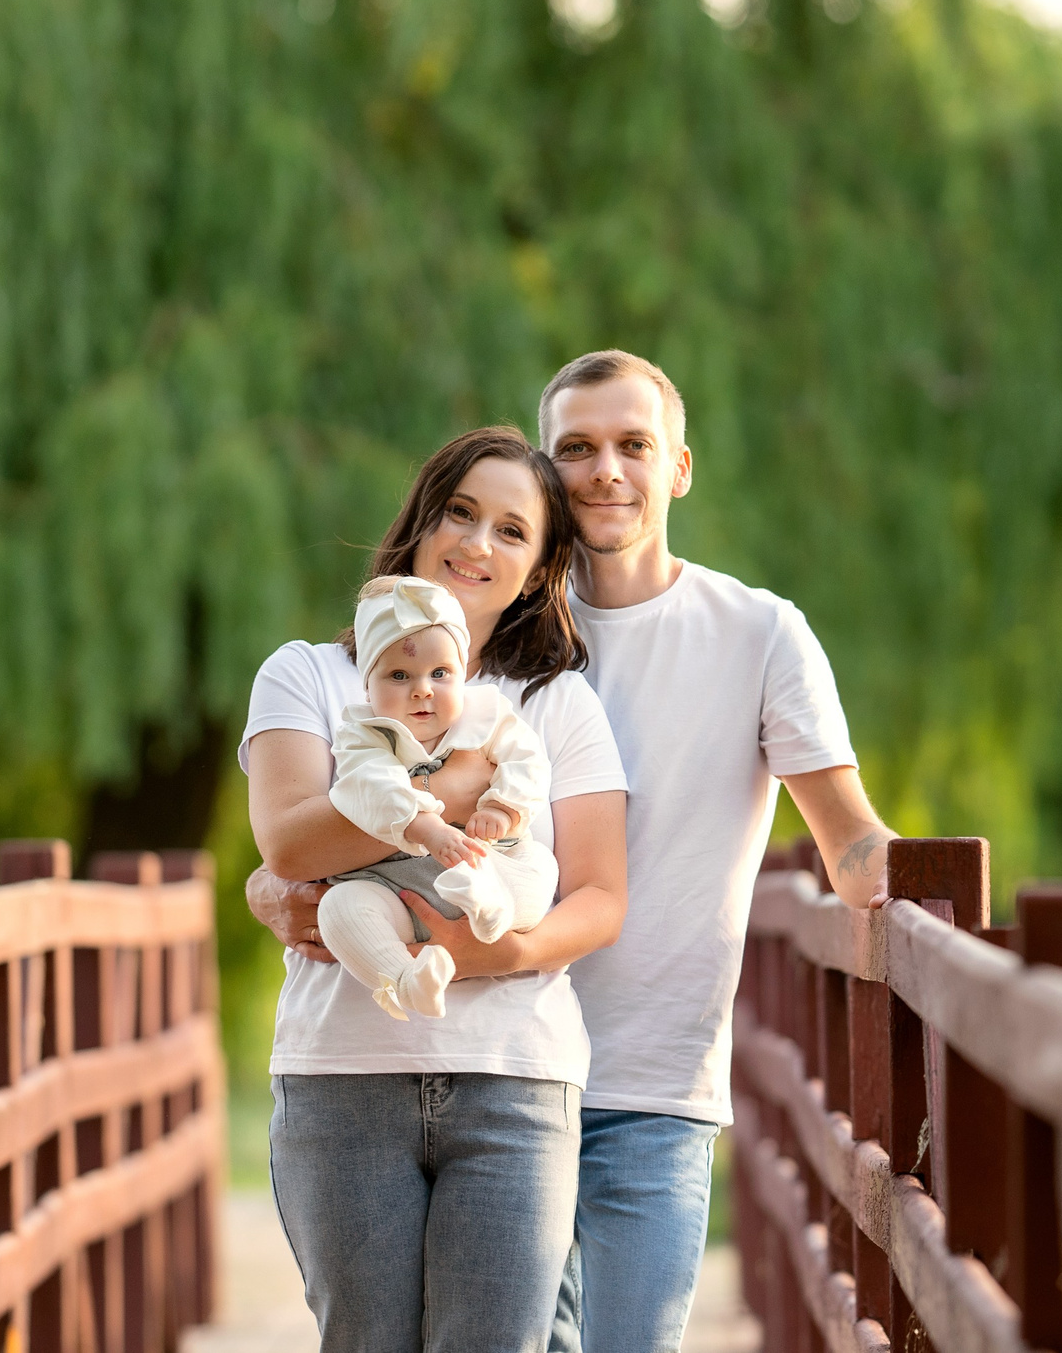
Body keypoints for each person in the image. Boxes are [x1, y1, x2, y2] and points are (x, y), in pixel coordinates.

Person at [248, 351, 898, 1353]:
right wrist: (278, 879)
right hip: (463, 1062)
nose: (605, 471)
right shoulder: (451, 654)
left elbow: (846, 841)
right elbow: (299, 829)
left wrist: (928, 918)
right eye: (578, 450)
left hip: (633, 1079)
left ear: (678, 465)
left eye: (632, 445)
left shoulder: (734, 639)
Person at [244, 426, 631, 1353]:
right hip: (342, 1075)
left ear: (540, 569)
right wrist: (450, 789)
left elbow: (600, 896)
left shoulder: (555, 703)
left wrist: (481, 954)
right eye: (460, 513)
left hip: (516, 1080)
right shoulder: (307, 674)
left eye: (511, 530)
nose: (475, 544)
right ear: (420, 523)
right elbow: (291, 842)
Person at [318, 573, 560, 1018]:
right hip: (393, 881)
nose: (422, 689)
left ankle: (493, 905)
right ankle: (406, 979)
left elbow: (527, 760)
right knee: (339, 908)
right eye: (398, 675)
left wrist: (502, 808)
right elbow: (372, 786)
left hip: (483, 861)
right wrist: (426, 827)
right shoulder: (363, 736)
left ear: (463, 673)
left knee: (542, 868)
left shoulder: (487, 714)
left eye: (440, 673)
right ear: (367, 686)